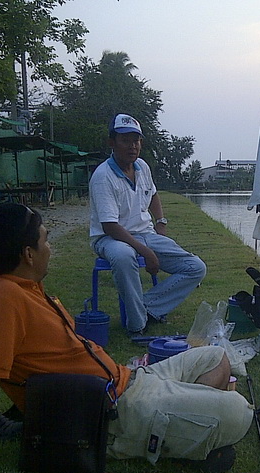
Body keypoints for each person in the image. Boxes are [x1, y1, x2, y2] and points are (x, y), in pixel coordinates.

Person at [0, 203, 253, 473]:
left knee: (216, 356)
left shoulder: (20, 284)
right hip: (114, 412)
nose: (50, 248)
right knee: (240, 412)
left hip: (130, 379)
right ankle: (176, 426)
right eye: (46, 240)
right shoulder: (0, 299)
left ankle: (184, 421)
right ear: (28, 255)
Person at [89, 113, 206, 338]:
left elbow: (152, 194)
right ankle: (137, 326)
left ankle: (146, 308)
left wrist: (160, 222)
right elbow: (110, 226)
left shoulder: (142, 166)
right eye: (125, 140)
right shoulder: (103, 176)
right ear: (111, 143)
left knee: (196, 267)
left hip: (145, 234)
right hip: (109, 238)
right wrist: (147, 252)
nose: (133, 146)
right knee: (124, 256)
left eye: (137, 140)